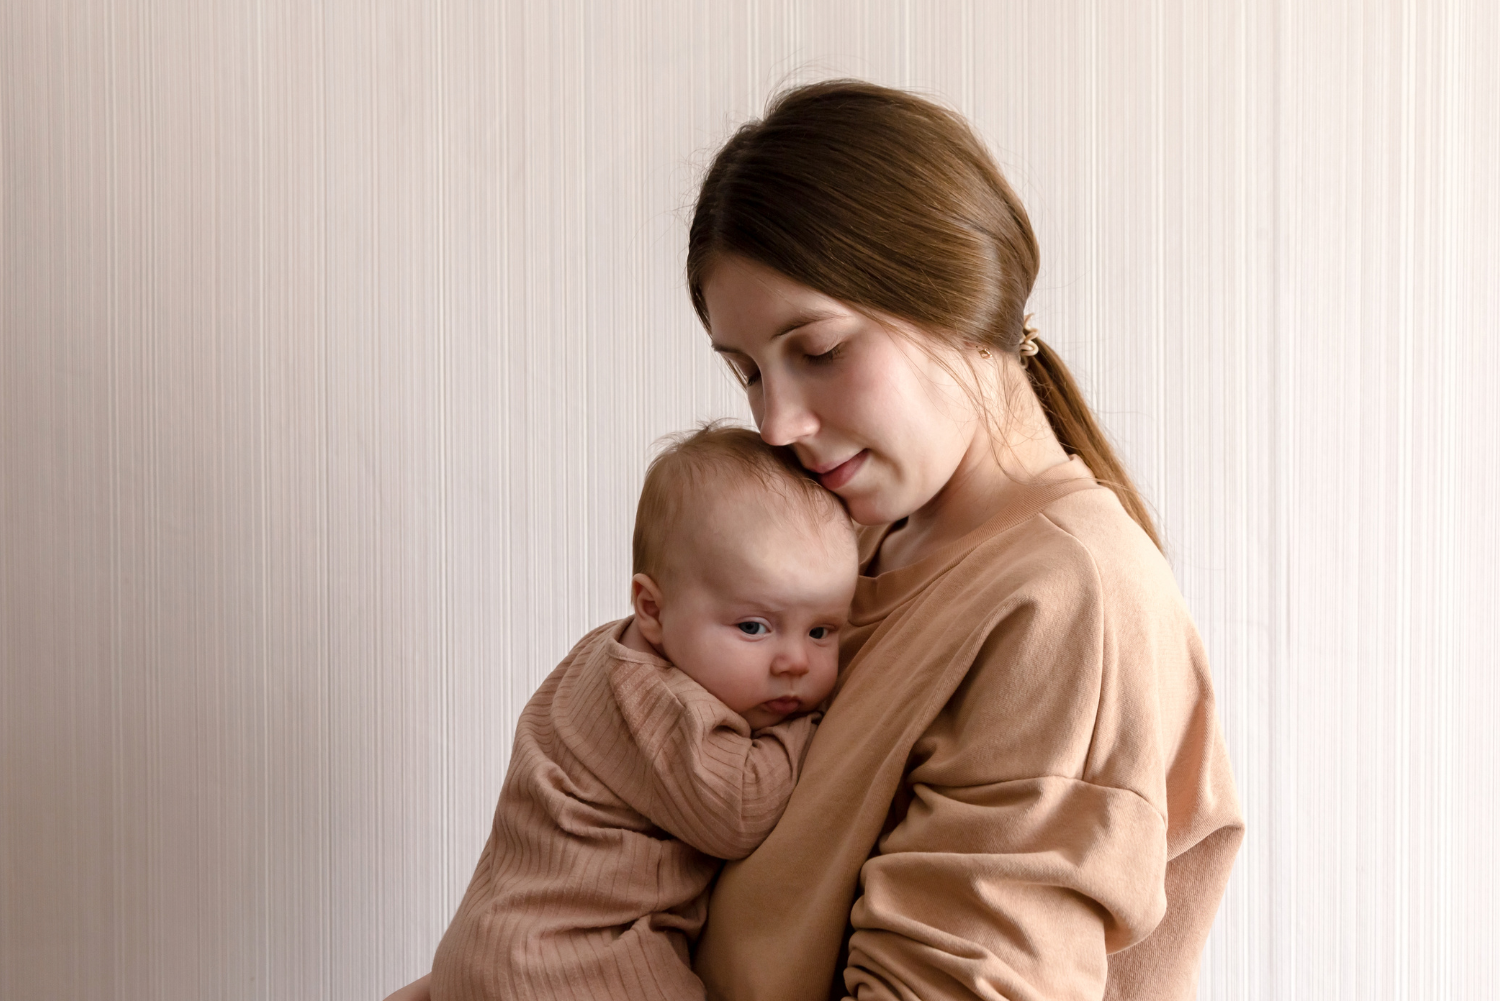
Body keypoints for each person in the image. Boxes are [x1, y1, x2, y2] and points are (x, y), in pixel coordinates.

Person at [386, 78, 1242, 1001]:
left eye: (820, 351)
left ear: (956, 292)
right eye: (747, 372)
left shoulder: (1071, 595)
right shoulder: (847, 560)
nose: (778, 422)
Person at [426, 425, 858, 1000]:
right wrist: (812, 727)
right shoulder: (659, 701)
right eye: (754, 626)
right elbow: (740, 810)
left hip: (501, 946)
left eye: (821, 630)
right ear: (652, 608)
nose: (795, 662)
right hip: (572, 963)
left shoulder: (606, 653)